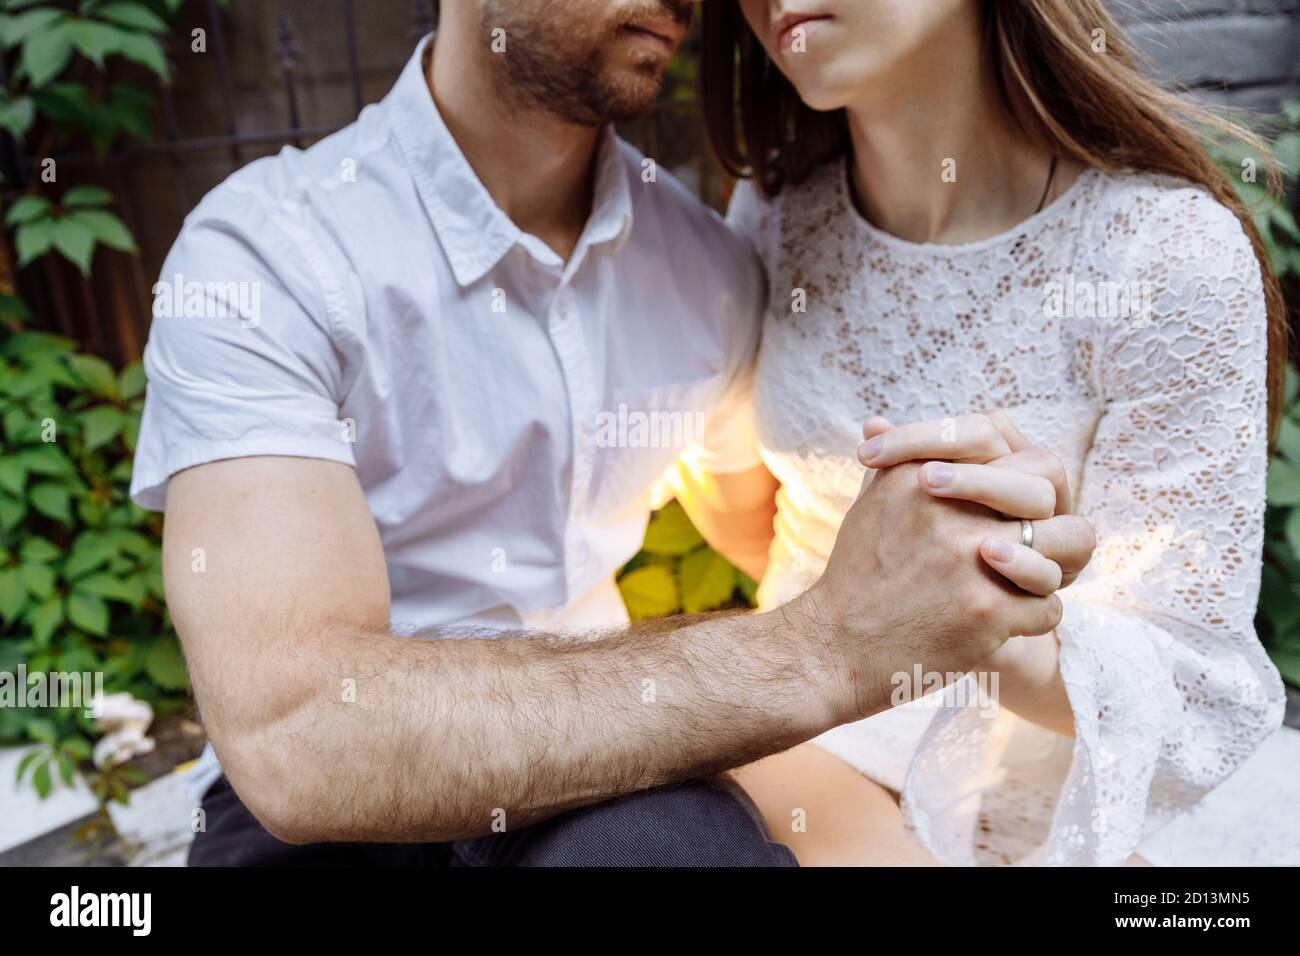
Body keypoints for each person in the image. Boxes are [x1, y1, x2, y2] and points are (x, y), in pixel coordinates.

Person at [131, 0, 1091, 866]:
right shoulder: (267, 255)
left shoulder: (708, 269)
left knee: (669, 851)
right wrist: (823, 648)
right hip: (329, 823)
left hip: (602, 771)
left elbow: (753, 515)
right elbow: (298, 737)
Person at [700, 0, 1288, 865]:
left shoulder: (1164, 257)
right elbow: (739, 513)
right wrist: (850, 633)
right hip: (812, 740)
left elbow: (1193, 689)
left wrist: (970, 617)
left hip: (1087, 789)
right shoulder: (774, 217)